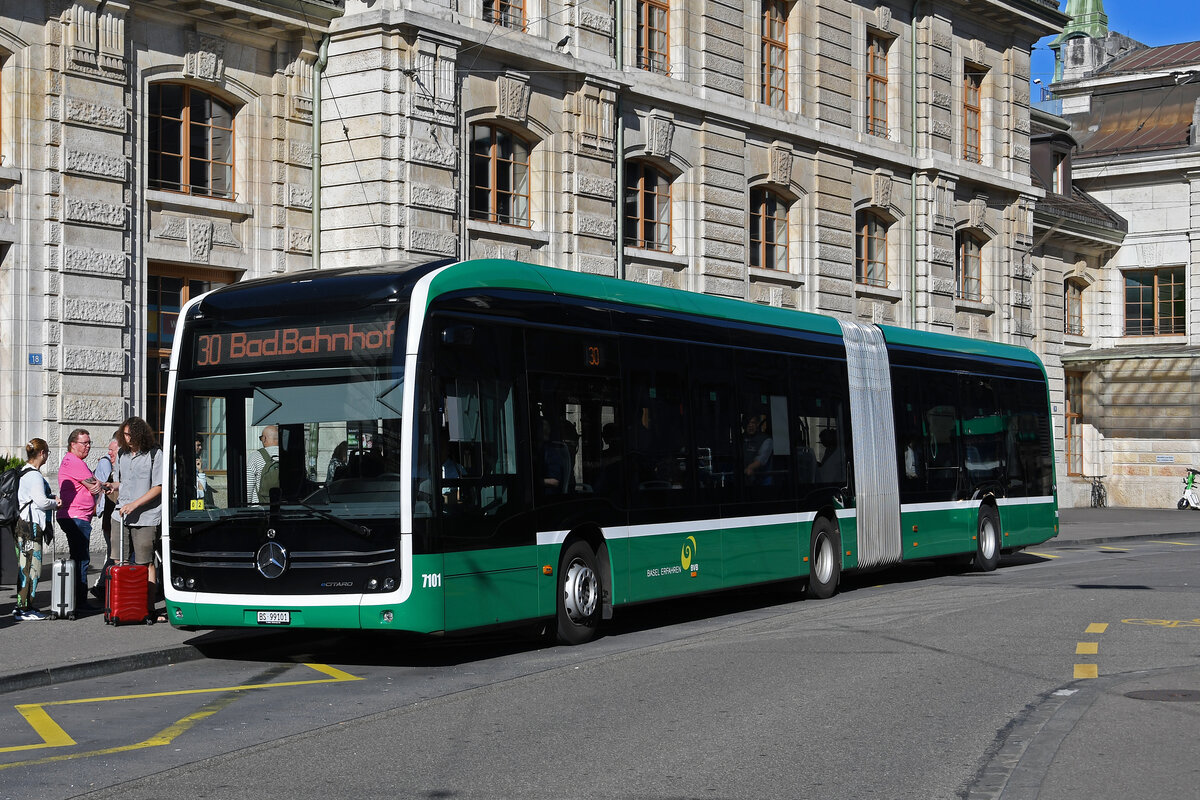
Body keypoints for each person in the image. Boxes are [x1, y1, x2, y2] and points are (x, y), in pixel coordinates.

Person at [105, 416, 164, 623]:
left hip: (145, 516)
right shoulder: (121, 454)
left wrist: (135, 504)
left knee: (145, 562)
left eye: (131, 434)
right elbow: (123, 481)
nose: (127, 438)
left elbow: (159, 487)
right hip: (120, 514)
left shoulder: (155, 454)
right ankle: (121, 606)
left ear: (140, 434)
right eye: (125, 434)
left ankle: (148, 608)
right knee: (118, 560)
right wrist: (113, 486)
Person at [14, 438, 59, 621]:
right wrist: (56, 503)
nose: (47, 456)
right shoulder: (34, 475)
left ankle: (22, 606)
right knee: (33, 567)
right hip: (31, 526)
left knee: (24, 566)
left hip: (22, 524)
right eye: (47, 452)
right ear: (42, 453)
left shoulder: (23, 471)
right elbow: (41, 502)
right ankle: (25, 608)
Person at [57, 428, 102, 606]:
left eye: (89, 443)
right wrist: (94, 482)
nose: (88, 446)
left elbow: (94, 484)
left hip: (77, 516)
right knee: (81, 559)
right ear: (73, 444)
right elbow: (94, 486)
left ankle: (76, 600)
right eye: (84, 443)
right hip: (76, 516)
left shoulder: (74, 461)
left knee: (78, 557)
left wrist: (94, 482)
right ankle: (80, 602)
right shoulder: (74, 462)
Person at [90, 437, 119, 600]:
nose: (108, 453)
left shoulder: (119, 467)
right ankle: (102, 585)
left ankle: (103, 585)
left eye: (111, 449)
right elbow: (100, 488)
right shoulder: (107, 464)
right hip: (110, 520)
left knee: (113, 554)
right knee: (114, 555)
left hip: (112, 519)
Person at [246, 424, 280, 503]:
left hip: (261, 509)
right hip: (287, 508)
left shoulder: (255, 456)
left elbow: (248, 485)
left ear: (264, 439)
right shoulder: (291, 455)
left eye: (261, 438)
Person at [742, 413, 774, 486]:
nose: (750, 425)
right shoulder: (741, 438)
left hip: (762, 482)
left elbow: (760, 460)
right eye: (748, 423)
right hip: (745, 481)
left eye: (753, 422)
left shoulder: (766, 440)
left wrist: (750, 468)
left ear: (757, 424)